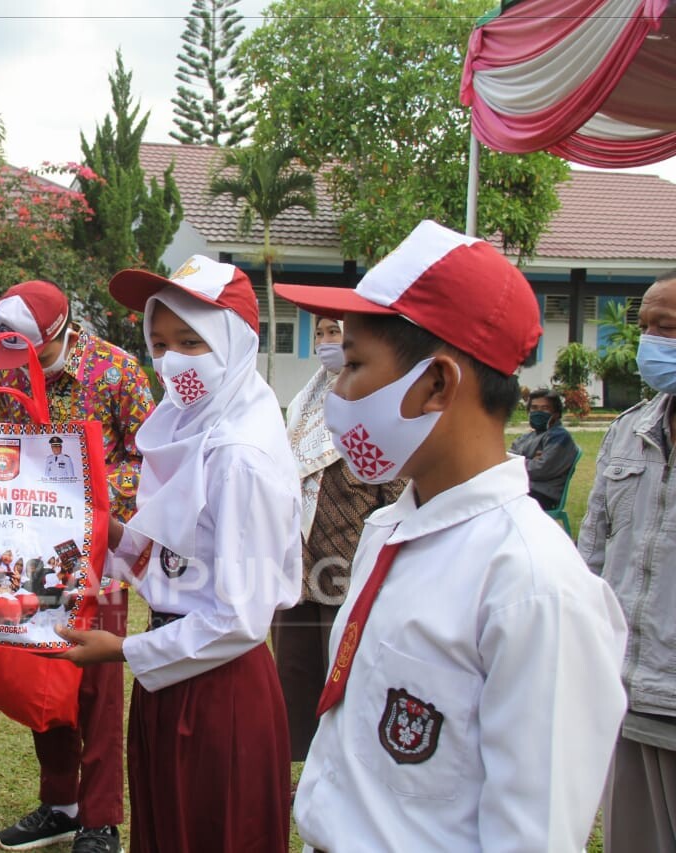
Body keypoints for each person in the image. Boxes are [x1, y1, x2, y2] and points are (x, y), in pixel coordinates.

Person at [275, 220, 628, 851]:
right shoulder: (388, 528)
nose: (337, 395)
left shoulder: (533, 588)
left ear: (436, 383)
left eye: (354, 365)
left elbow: (533, 835)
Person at [57, 255, 301, 853]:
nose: (172, 362)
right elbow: (161, 550)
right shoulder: (186, 425)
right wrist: (92, 531)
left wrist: (124, 650)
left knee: (212, 830)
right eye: (160, 343)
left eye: (192, 341)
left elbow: (240, 619)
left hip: (218, 687)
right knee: (166, 826)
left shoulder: (240, 453)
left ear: (236, 342)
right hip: (168, 673)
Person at [0, 279, 153, 853]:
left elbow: (150, 458)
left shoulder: (117, 371)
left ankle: (100, 818)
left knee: (98, 687)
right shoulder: (9, 375)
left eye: (36, 350)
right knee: (44, 677)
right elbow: (4, 450)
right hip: (33, 551)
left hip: (98, 555)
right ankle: (59, 804)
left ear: (60, 331)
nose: (25, 364)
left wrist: (91, 489)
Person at [273, 316, 405, 764]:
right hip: (299, 570)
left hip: (349, 573)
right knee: (295, 673)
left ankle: (345, 764)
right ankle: (305, 768)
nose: (330, 343)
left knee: (346, 678)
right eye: (325, 333)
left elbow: (396, 497)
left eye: (339, 335)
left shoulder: (377, 411)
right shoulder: (304, 405)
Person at [580, 268, 676, 853]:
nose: (650, 344)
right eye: (645, 327)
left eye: (665, 327)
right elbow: (590, 559)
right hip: (629, 700)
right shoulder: (626, 432)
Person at [510, 387, 579, 509]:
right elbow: (506, 460)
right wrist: (530, 460)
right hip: (521, 489)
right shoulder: (526, 437)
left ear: (556, 414)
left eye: (545, 408)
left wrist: (518, 462)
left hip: (542, 494)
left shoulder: (559, 437)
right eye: (534, 408)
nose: (538, 412)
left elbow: (540, 469)